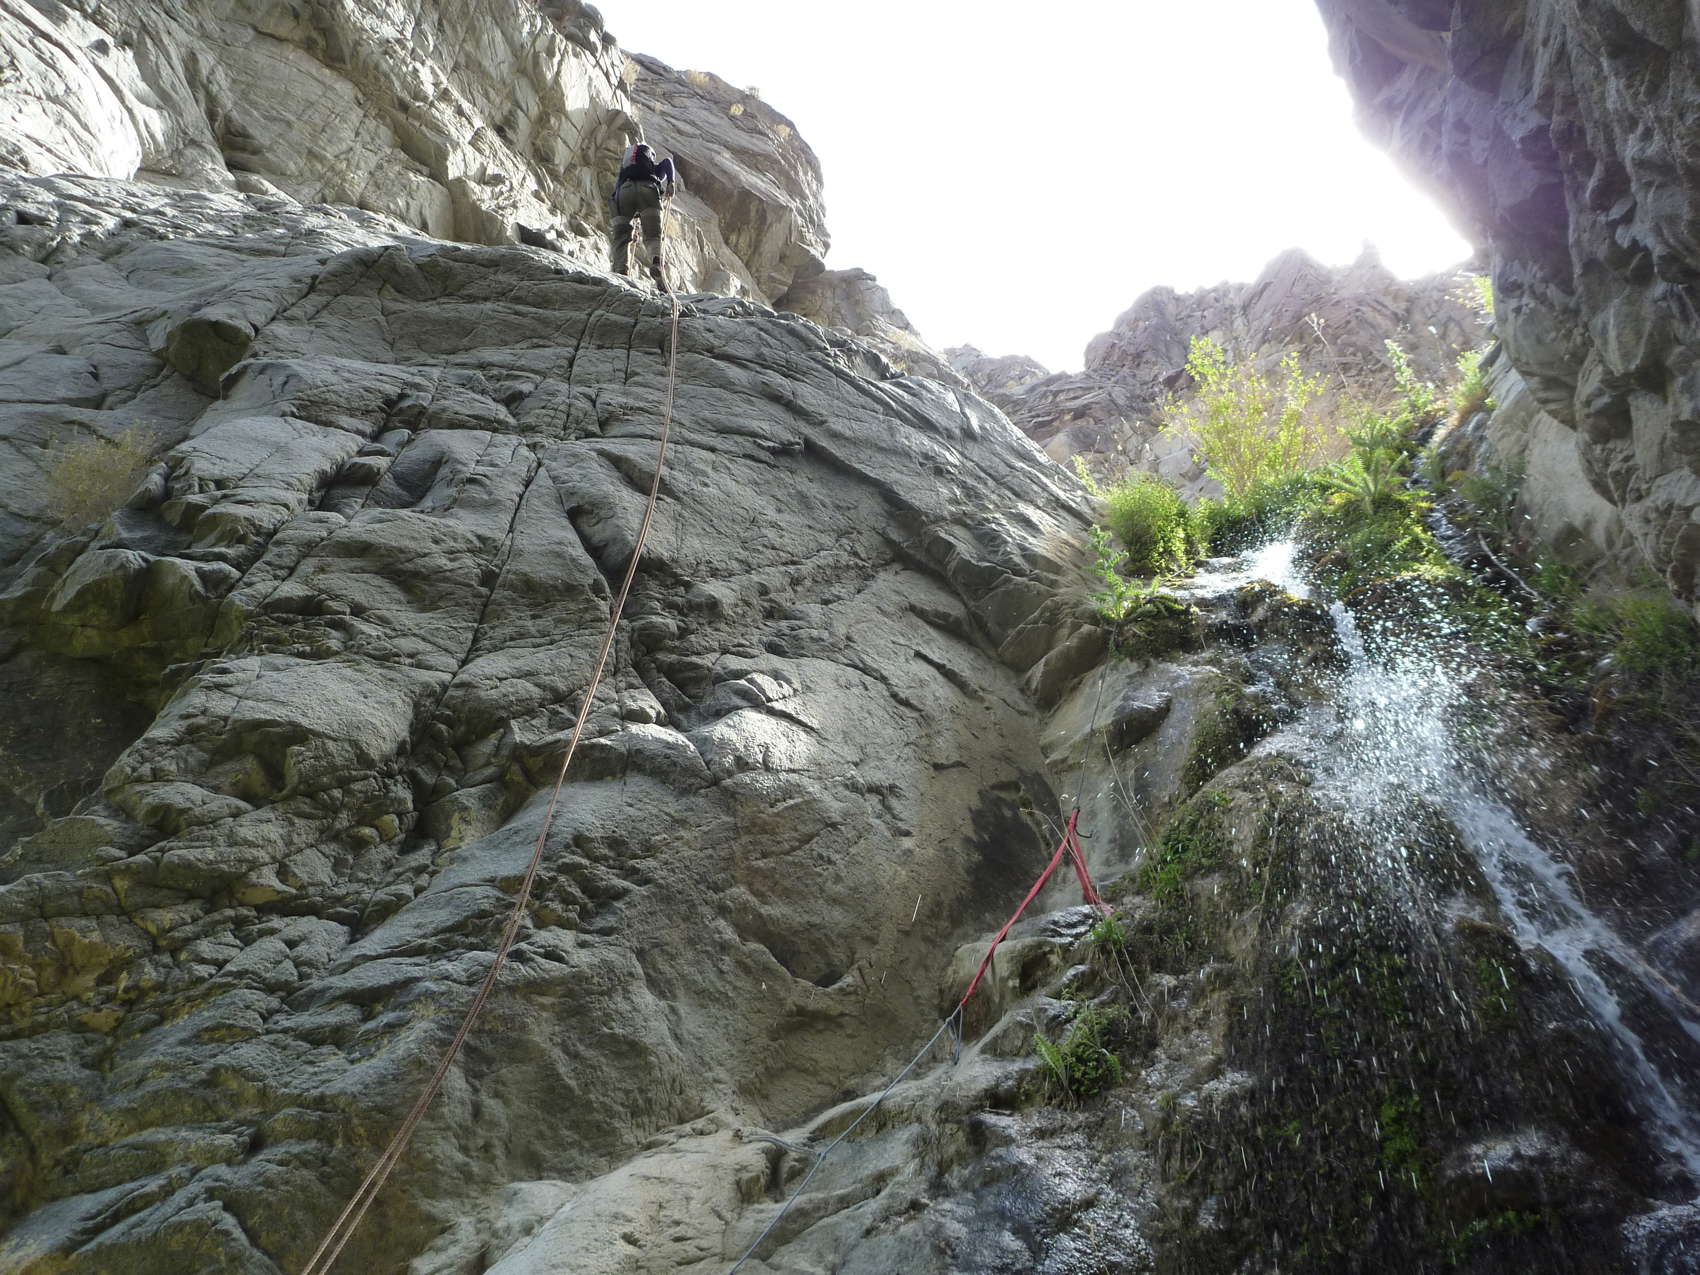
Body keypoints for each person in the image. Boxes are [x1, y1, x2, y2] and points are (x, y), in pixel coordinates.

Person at [610, 143, 676, 290]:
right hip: (648, 190)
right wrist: (671, 182)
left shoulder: (625, 170)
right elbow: (668, 161)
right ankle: (657, 263)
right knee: (653, 236)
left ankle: (621, 271)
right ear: (651, 157)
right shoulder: (653, 168)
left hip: (624, 192)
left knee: (621, 237)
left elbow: (617, 191)